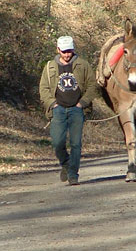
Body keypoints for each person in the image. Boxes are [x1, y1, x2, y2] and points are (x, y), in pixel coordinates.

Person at [39, 35, 97, 185]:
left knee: (76, 144)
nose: (66, 54)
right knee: (57, 142)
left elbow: (92, 86)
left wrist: (83, 103)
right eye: (64, 51)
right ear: (58, 50)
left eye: (69, 51)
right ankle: (65, 163)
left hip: (76, 109)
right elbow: (43, 88)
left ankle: (73, 174)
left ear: (73, 49)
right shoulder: (50, 66)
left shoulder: (83, 65)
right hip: (57, 109)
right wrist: (52, 104)